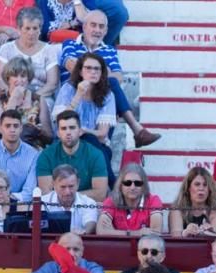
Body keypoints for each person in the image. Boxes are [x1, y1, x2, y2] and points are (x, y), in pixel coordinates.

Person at [57, 10, 160, 147]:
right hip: (74, 94)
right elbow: (71, 66)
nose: (97, 30)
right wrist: (104, 70)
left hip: (100, 97)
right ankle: (137, 130)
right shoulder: (70, 44)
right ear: (84, 26)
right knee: (110, 83)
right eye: (93, 25)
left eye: (101, 26)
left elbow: (118, 77)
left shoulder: (110, 50)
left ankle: (115, 142)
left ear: (106, 31)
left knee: (112, 86)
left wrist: (91, 71)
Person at [52, 52, 115, 181]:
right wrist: (78, 95)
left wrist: (84, 130)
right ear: (80, 71)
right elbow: (62, 121)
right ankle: (113, 186)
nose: (93, 72)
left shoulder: (107, 94)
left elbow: (103, 134)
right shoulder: (68, 89)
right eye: (88, 68)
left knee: (91, 141)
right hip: (67, 138)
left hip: (95, 141)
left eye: (97, 69)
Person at [0, 7, 59, 132]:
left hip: (40, 96)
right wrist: (13, 97)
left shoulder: (49, 50)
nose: (31, 32)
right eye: (27, 28)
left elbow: (52, 83)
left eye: (35, 28)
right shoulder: (6, 49)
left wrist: (31, 97)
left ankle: (40, 138)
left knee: (46, 104)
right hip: (9, 95)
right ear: (19, 29)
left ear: (40, 29)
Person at [35, 109, 107, 201]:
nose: (68, 132)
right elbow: (45, 193)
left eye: (72, 128)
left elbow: (100, 194)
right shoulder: (46, 155)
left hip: (86, 207)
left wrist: (67, 196)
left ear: (80, 131)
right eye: (63, 128)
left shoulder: (95, 155)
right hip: (55, 208)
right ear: (58, 133)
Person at [0, 109, 39, 202]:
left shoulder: (33, 154)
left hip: (20, 203)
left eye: (16, 126)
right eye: (8, 126)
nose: (12, 130)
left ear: (21, 128)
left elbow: (29, 191)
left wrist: (10, 199)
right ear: (0, 128)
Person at [10, 231, 105, 273]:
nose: (71, 254)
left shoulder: (92, 267)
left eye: (76, 249)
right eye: (66, 249)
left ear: (82, 251)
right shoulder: (49, 268)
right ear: (59, 251)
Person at [96, 162, 163, 236]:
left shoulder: (153, 200)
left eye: (137, 183)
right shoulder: (111, 200)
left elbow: (155, 232)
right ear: (120, 185)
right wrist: (136, 233)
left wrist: (113, 232)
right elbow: (101, 231)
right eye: (127, 183)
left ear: (144, 186)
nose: (132, 187)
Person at [0, 57, 48, 141]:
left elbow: (48, 135)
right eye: (14, 75)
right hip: (5, 144)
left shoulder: (39, 100)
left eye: (23, 76)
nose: (19, 80)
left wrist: (36, 130)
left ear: (28, 79)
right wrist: (13, 99)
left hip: (32, 145)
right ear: (8, 78)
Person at [168, 166, 216, 238]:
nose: (201, 188)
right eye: (197, 184)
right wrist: (186, 232)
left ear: (210, 189)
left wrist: (207, 232)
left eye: (205, 185)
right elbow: (176, 237)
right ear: (188, 188)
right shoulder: (177, 209)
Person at [41, 164, 99, 233]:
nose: (67, 192)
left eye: (71, 186)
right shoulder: (42, 202)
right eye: (63, 187)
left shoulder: (89, 203)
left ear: (78, 183)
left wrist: (85, 232)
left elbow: (90, 223)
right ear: (54, 185)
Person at [114, 234, 182, 273]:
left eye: (154, 252)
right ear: (138, 254)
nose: (149, 256)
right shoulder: (129, 272)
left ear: (162, 256)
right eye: (144, 251)